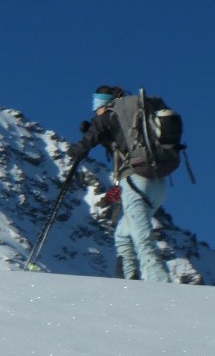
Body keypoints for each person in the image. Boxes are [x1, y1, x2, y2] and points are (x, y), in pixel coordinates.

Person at [68, 86, 171, 283]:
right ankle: (128, 279)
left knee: (142, 237)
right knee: (123, 235)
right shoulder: (131, 118)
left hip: (135, 181)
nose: (95, 112)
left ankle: (159, 283)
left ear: (102, 103)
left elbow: (91, 138)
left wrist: (76, 150)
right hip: (157, 182)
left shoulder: (107, 114)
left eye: (95, 107)